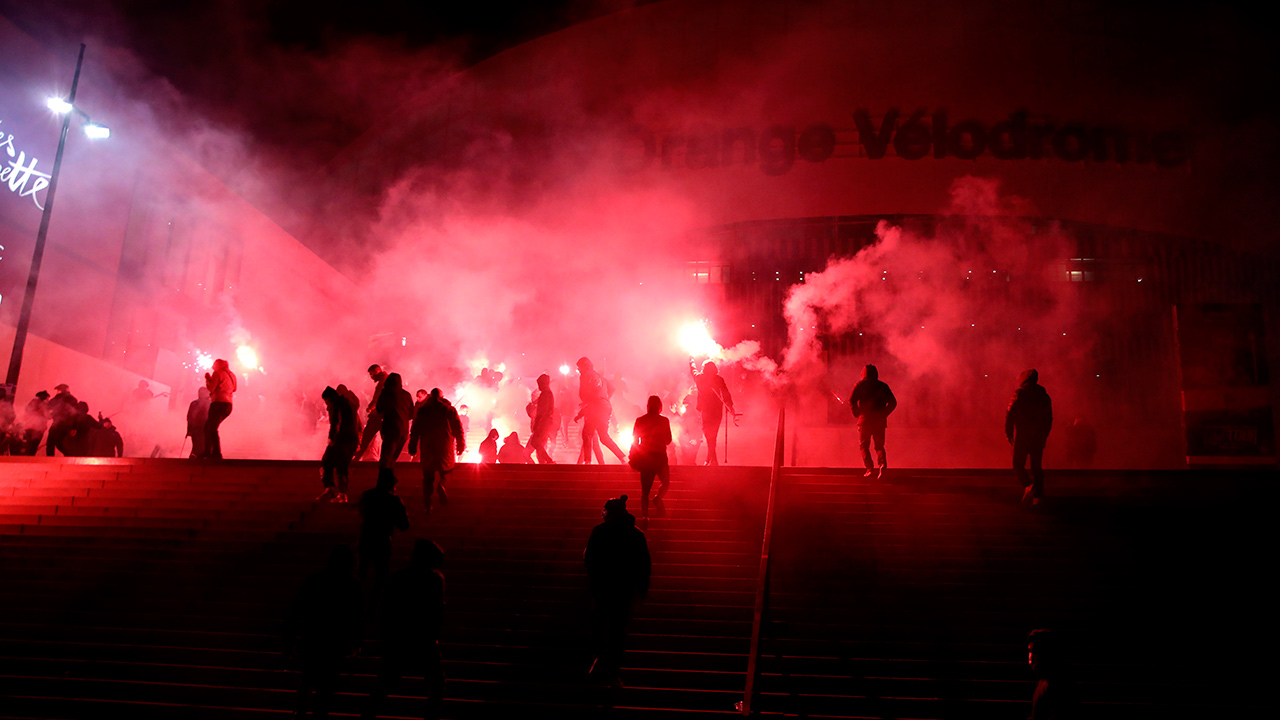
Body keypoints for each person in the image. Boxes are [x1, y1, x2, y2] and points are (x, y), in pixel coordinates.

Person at [363, 538, 446, 720]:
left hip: (400, 640)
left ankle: (368, 715)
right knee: (437, 685)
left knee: (384, 684)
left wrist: (387, 637)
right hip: (423, 640)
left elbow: (386, 609)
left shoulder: (398, 577)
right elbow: (436, 609)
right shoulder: (434, 579)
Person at [284, 544, 362, 719]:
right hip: (334, 641)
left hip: (313, 637)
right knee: (326, 685)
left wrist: (289, 639)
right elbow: (355, 617)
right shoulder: (352, 584)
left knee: (307, 678)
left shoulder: (315, 580)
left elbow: (297, 610)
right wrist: (357, 641)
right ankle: (319, 713)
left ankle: (301, 710)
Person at [584, 494, 651, 686]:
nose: (601, 512)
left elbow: (590, 560)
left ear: (609, 512)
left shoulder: (599, 531)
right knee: (618, 632)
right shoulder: (636, 534)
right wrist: (642, 590)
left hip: (602, 588)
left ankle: (599, 659)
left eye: (604, 509)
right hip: (625, 590)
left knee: (598, 626)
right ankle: (612, 671)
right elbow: (645, 565)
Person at [359, 468, 410, 614]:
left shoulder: (367, 496)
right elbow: (404, 524)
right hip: (382, 540)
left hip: (366, 537)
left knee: (361, 573)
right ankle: (372, 608)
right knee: (380, 576)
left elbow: (360, 513)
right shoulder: (393, 500)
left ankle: (354, 606)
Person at [408, 388, 465, 514]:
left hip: (428, 446)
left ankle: (428, 504)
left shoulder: (423, 410)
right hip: (444, 446)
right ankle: (442, 485)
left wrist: (412, 445)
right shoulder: (449, 410)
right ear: (442, 396)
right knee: (447, 470)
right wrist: (461, 445)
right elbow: (458, 428)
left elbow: (415, 429)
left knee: (428, 476)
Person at [1006, 369, 1053, 505]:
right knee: (1036, 465)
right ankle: (1038, 497)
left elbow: (1010, 413)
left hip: (1023, 434)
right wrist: (1044, 434)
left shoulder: (1019, 393)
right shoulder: (1044, 396)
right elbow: (1049, 418)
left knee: (1018, 463)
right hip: (1038, 436)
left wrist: (1009, 432)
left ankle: (1028, 485)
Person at [848, 364, 897, 479]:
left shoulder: (860, 385)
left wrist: (857, 413)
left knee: (864, 446)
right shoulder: (883, 386)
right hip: (879, 421)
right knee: (879, 446)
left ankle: (870, 469)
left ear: (863, 373)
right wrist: (884, 414)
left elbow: (851, 400)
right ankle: (882, 464)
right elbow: (893, 402)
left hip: (864, 420)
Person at [576, 357, 627, 464]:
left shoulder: (586, 375)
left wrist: (588, 402)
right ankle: (623, 458)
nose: (578, 370)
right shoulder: (600, 377)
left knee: (587, 434)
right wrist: (605, 398)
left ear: (584, 367)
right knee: (603, 437)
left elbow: (591, 392)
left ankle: (587, 462)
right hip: (605, 407)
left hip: (596, 407)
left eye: (579, 367)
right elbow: (612, 388)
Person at [629, 396, 673, 519]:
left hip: (646, 458)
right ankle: (658, 498)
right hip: (660, 457)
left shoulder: (640, 420)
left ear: (648, 405)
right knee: (666, 482)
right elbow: (668, 440)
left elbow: (634, 439)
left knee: (645, 490)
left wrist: (633, 455)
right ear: (660, 406)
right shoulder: (664, 421)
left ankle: (645, 516)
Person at [690, 360, 737, 466]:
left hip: (706, 410)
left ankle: (711, 459)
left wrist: (691, 360)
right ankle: (712, 459)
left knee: (708, 434)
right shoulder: (719, 379)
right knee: (712, 434)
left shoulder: (699, 378)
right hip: (716, 410)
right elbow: (726, 393)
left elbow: (693, 370)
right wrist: (730, 406)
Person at [318, 386, 359, 503]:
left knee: (326, 462)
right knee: (342, 466)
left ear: (328, 399)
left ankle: (330, 489)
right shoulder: (349, 403)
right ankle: (342, 493)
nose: (326, 406)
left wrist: (331, 438)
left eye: (326, 402)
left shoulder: (335, 404)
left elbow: (335, 421)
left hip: (341, 439)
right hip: (351, 439)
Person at [1027, 629, 1078, 719]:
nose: (1030, 657)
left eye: (1035, 652)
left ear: (1046, 653)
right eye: (1030, 651)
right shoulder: (1044, 682)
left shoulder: (1057, 685)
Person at [375, 372, 413, 468]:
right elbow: (412, 414)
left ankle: (384, 480)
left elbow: (379, 408)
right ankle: (389, 478)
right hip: (404, 430)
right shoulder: (407, 395)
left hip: (391, 428)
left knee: (386, 457)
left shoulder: (386, 393)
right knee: (393, 458)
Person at [203, 359, 236, 459]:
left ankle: (212, 453)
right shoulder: (232, 375)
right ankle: (213, 452)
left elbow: (211, 388)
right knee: (212, 427)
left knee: (209, 428)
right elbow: (234, 389)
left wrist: (208, 379)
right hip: (228, 405)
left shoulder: (218, 373)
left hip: (218, 402)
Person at [356, 364, 388, 461]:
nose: (371, 377)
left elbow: (377, 397)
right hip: (385, 414)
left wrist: (370, 408)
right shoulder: (387, 380)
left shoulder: (383, 382)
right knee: (385, 438)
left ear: (377, 371)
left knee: (367, 435)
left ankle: (358, 457)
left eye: (371, 374)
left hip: (379, 414)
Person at [527, 374, 557, 464]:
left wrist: (537, 423)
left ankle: (548, 461)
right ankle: (546, 461)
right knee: (538, 443)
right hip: (546, 422)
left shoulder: (546, 394)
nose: (539, 386)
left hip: (544, 422)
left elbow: (542, 411)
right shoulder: (547, 393)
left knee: (536, 442)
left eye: (540, 384)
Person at [11, 391, 49, 455]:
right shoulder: (43, 405)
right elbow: (48, 415)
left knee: (29, 444)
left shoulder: (31, 403)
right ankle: (30, 458)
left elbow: (26, 413)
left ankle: (26, 458)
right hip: (38, 429)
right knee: (34, 445)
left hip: (29, 427)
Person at [45, 383, 78, 457]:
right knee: (60, 443)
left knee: (51, 443)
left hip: (57, 423)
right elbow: (75, 414)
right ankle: (69, 456)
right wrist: (74, 427)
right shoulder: (73, 399)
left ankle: (50, 460)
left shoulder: (57, 398)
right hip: (67, 424)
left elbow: (48, 407)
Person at [185, 387, 211, 458]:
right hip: (203, 430)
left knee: (196, 448)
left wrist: (189, 430)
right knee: (203, 448)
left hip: (196, 430)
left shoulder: (194, 403)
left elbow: (189, 418)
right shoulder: (210, 403)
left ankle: (192, 463)